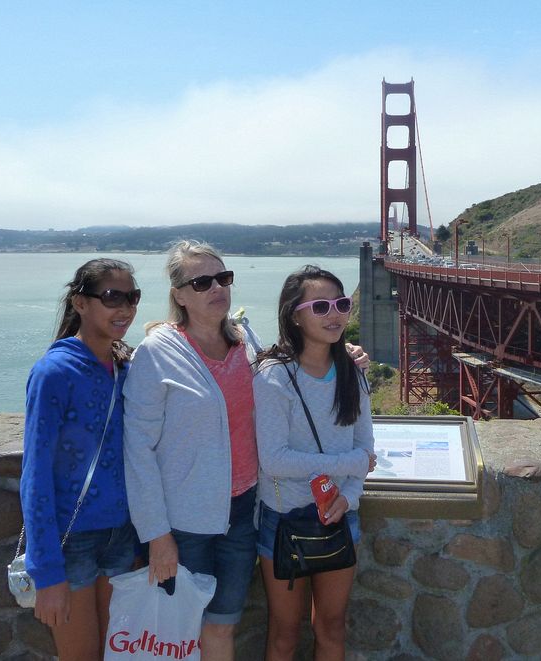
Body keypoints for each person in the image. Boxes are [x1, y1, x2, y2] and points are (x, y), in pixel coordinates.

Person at [122, 241, 369, 661]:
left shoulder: (246, 345)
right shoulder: (157, 353)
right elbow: (138, 448)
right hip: (185, 520)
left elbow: (295, 360)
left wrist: (342, 350)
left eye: (223, 278)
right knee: (178, 632)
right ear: (179, 294)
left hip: (240, 515)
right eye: (202, 282)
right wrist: (156, 535)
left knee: (221, 624)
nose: (217, 288)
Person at [20, 258, 141, 660]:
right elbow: (34, 475)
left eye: (132, 297)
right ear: (80, 303)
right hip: (72, 543)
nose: (124, 308)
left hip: (122, 535)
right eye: (112, 297)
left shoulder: (124, 367)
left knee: (119, 654)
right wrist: (47, 572)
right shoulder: (54, 372)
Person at [254, 265, 376, 661]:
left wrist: (350, 496)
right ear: (295, 315)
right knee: (285, 633)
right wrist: (350, 464)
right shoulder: (274, 377)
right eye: (320, 306)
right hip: (284, 520)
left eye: (341, 304)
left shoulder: (351, 374)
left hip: (340, 515)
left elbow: (365, 447)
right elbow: (273, 460)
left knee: (332, 627)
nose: (335, 314)